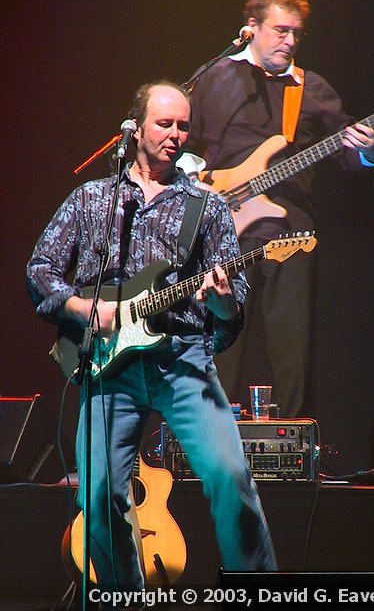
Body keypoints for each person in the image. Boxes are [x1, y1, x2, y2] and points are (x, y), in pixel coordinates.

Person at [26, 81, 277, 601]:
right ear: (135, 128)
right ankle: (123, 596)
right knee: (97, 495)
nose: (176, 134)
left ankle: (261, 595)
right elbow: (40, 270)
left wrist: (222, 301)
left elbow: (234, 311)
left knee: (231, 479)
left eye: (184, 125)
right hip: (106, 366)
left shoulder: (205, 208)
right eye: (165, 124)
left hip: (183, 360)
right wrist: (83, 307)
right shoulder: (93, 198)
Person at [186, 0, 374, 418]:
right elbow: (185, 144)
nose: (291, 41)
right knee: (220, 343)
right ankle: (208, 438)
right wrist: (197, 182)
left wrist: (372, 149)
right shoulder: (212, 78)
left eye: (297, 33)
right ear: (251, 27)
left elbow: (353, 158)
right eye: (281, 31)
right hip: (224, 231)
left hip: (292, 234)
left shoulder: (311, 89)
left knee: (293, 350)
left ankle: (294, 448)